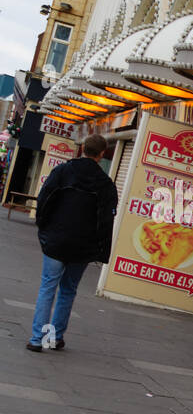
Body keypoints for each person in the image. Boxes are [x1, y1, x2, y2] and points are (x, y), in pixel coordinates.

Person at [26, 133, 117, 352]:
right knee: (68, 290)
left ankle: (38, 339)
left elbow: (44, 199)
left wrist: (43, 227)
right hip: (83, 246)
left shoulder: (63, 171)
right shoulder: (105, 184)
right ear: (102, 154)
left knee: (48, 287)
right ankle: (54, 339)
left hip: (56, 241)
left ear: (82, 148)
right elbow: (106, 220)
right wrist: (100, 250)